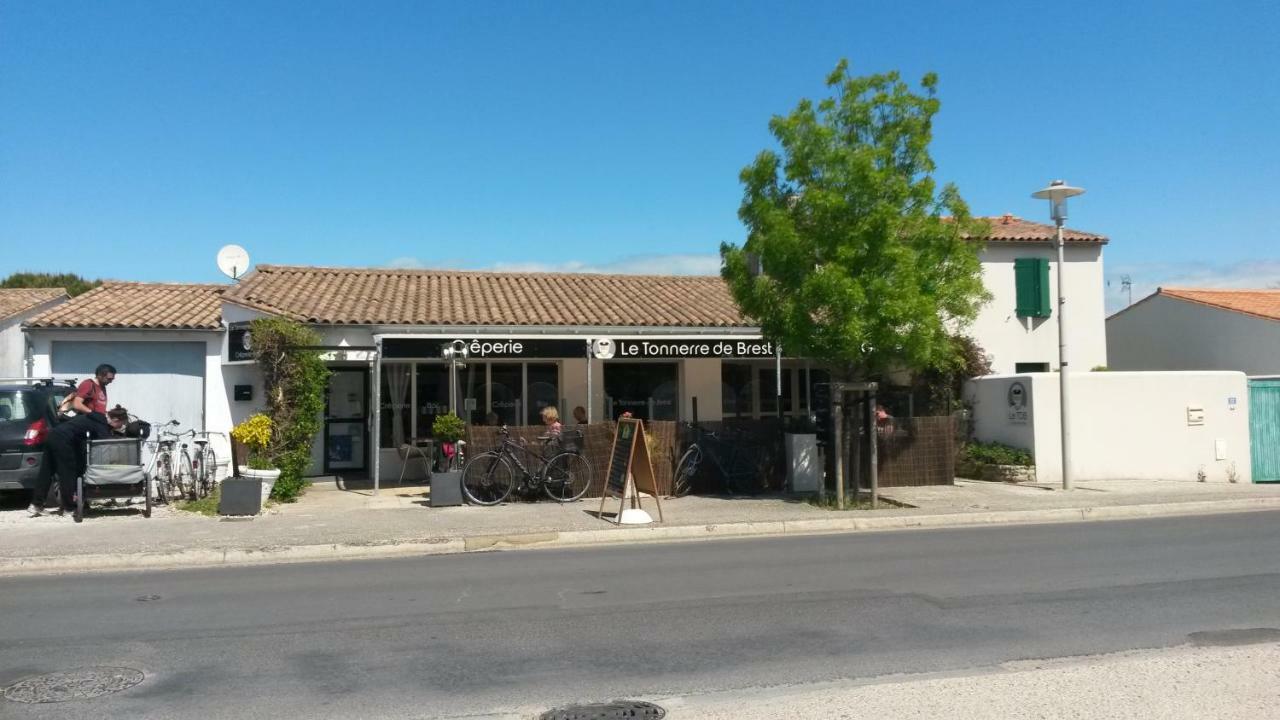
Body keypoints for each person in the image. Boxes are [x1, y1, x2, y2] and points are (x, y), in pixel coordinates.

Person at [29, 405, 129, 516]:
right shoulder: (102, 423)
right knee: (68, 473)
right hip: (64, 440)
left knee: (46, 471)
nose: (121, 427)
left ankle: (36, 505)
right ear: (115, 420)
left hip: (53, 435)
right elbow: (105, 443)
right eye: (121, 424)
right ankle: (69, 508)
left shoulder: (95, 416)